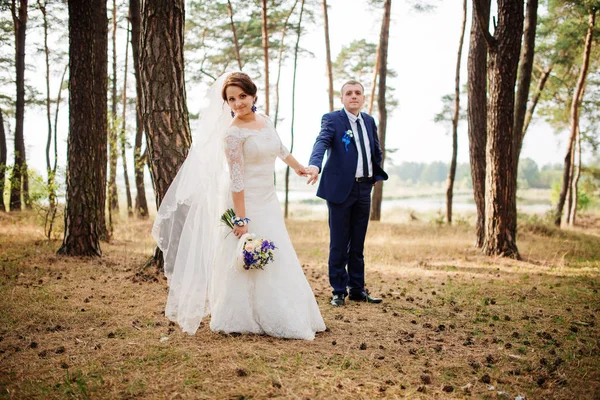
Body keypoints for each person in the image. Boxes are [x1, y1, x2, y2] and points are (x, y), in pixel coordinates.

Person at [152, 72, 325, 339]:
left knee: (277, 252)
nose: (238, 103)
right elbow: (236, 180)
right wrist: (241, 220)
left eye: (242, 96)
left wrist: (300, 168)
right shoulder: (232, 134)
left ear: (253, 95)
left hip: (268, 198)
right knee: (243, 254)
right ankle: (240, 316)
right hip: (243, 200)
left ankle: (285, 310)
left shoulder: (264, 120)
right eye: (231, 99)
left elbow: (280, 149)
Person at [306, 80, 388, 307]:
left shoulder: (369, 121)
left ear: (363, 98)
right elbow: (321, 142)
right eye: (349, 93)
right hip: (340, 190)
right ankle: (339, 290)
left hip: (364, 189)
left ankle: (357, 289)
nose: (354, 96)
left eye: (358, 93)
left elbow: (375, 150)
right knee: (339, 242)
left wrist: (374, 175)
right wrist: (315, 165)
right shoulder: (332, 120)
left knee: (358, 244)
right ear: (342, 98)